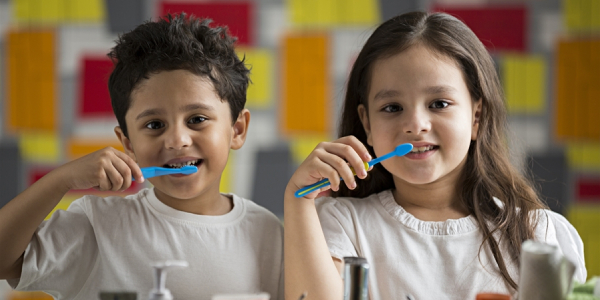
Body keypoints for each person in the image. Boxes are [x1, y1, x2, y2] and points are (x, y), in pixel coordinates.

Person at [284, 11, 586, 299]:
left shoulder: (540, 236)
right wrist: (297, 199)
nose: (416, 125)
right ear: (368, 125)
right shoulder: (340, 224)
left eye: (439, 104)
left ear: (476, 117)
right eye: (392, 108)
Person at [0, 14, 283, 300]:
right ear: (128, 144)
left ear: (237, 129)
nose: (176, 141)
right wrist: (60, 180)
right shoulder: (97, 225)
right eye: (154, 125)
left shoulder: (268, 232)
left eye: (197, 119)